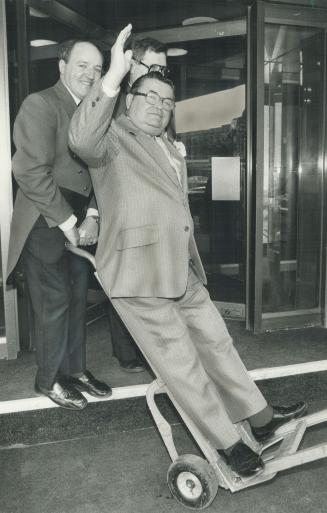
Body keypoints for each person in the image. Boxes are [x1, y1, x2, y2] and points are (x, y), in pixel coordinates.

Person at [69, 25, 307, 477]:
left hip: (182, 269)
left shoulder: (168, 146)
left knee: (218, 344)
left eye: (166, 101)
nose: (159, 107)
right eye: (149, 98)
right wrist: (114, 75)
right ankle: (229, 443)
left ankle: (259, 419)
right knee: (183, 364)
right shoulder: (111, 138)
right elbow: (80, 138)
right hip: (139, 275)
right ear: (128, 100)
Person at [6, 39, 112, 410]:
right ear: (62, 65)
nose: (90, 74)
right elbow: (29, 171)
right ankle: (47, 381)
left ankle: (75, 370)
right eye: (82, 65)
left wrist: (94, 216)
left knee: (77, 298)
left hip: (80, 215)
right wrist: (68, 221)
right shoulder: (41, 104)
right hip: (45, 218)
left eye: (98, 69)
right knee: (55, 301)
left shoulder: (97, 111)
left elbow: (103, 171)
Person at [108, 35, 169, 373]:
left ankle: (147, 351)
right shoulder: (112, 101)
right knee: (126, 282)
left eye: (164, 69)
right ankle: (128, 354)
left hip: (151, 207)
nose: (160, 74)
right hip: (122, 207)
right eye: (154, 67)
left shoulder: (158, 100)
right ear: (132, 65)